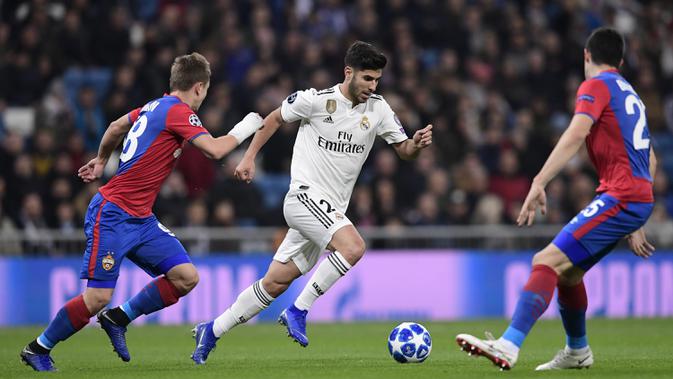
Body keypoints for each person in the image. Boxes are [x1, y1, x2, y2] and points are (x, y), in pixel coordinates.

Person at [190, 41, 433, 364]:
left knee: (275, 282)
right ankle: (298, 310)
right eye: (367, 79)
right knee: (354, 247)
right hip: (304, 198)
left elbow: (402, 149)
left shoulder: (379, 109)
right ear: (349, 72)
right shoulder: (315, 101)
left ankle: (213, 330)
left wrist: (415, 144)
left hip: (328, 212)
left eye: (377, 80)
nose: (373, 86)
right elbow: (273, 118)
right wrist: (248, 157)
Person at [20, 52, 263, 371]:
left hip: (141, 218)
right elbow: (215, 150)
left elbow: (115, 125)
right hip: (113, 215)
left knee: (185, 278)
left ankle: (119, 318)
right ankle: (37, 348)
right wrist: (248, 125)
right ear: (200, 88)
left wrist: (102, 160)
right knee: (96, 298)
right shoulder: (178, 111)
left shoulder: (152, 107)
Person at [455, 27, 656, 371]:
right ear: (620, 62)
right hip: (634, 197)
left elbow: (577, 132)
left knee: (545, 261)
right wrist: (638, 215)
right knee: (569, 275)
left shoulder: (597, 85)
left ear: (586, 56)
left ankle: (508, 344)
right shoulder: (629, 92)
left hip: (622, 196)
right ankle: (578, 351)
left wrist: (539, 181)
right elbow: (649, 158)